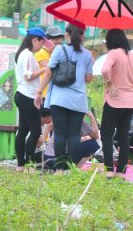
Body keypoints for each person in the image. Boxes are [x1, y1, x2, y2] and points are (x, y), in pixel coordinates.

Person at [36, 23, 94, 170]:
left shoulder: (59, 50)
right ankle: (72, 169)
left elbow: (48, 72)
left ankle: (60, 170)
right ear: (82, 36)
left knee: (60, 134)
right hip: (78, 101)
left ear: (67, 35)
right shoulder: (87, 54)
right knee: (74, 135)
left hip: (59, 99)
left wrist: (38, 92)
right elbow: (88, 79)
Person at [100, 29, 133, 177]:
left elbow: (104, 70)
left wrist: (109, 83)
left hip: (115, 100)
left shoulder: (113, 53)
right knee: (123, 136)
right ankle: (121, 172)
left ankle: (109, 170)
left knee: (106, 134)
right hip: (130, 101)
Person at [13, 27, 48, 171]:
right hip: (27, 96)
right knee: (35, 131)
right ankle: (28, 163)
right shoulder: (27, 54)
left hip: (22, 95)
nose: (42, 46)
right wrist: (44, 70)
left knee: (23, 130)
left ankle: (21, 164)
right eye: (41, 42)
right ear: (35, 40)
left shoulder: (23, 54)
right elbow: (28, 76)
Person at [35, 25, 64, 104]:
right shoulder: (41, 53)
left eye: (60, 44)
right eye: (55, 43)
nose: (58, 46)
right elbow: (51, 68)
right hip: (44, 95)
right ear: (45, 41)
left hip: (55, 95)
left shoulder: (57, 54)